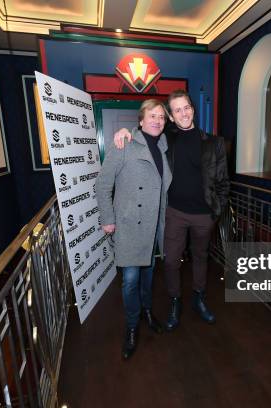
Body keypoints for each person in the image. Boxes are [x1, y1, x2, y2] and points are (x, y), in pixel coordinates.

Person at [113, 90, 229, 331]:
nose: (183, 113)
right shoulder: (168, 139)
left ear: (193, 109)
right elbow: (145, 132)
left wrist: (215, 213)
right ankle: (175, 302)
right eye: (177, 110)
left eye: (186, 107)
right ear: (172, 117)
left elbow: (223, 183)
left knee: (200, 258)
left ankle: (199, 298)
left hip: (203, 215)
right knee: (170, 262)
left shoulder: (215, 143)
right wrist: (126, 132)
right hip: (174, 212)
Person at [96, 99, 172, 360]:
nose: (157, 120)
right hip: (129, 224)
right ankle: (131, 326)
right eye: (152, 116)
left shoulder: (164, 147)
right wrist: (108, 218)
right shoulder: (124, 144)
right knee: (130, 281)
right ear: (140, 120)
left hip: (152, 226)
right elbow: (102, 185)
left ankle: (148, 311)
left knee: (149, 274)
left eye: (161, 117)